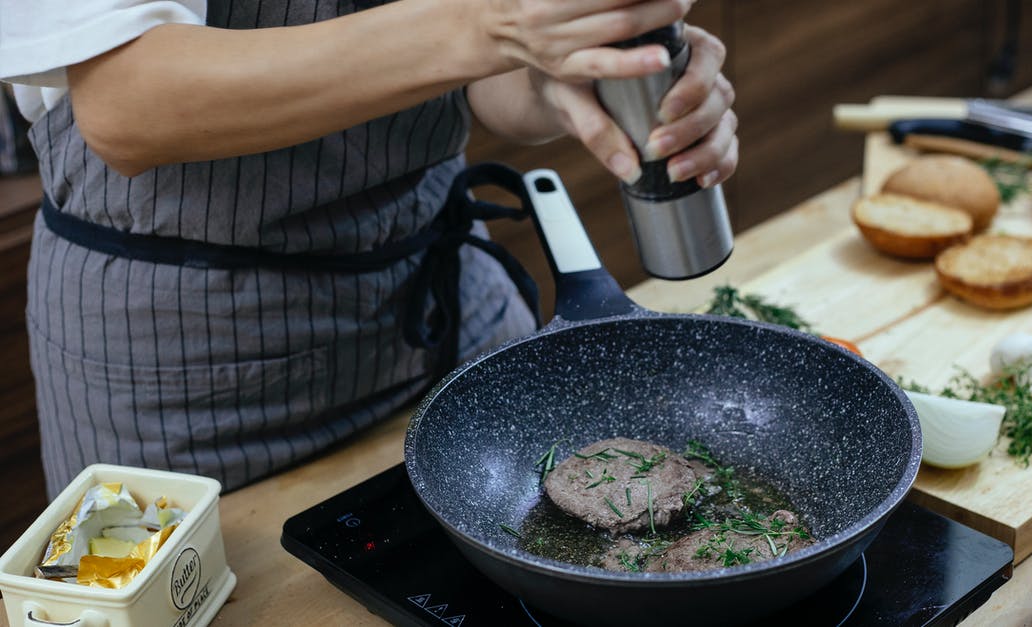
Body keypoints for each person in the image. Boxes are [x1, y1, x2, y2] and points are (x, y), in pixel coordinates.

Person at [0, 0, 738, 495]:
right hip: (189, 378)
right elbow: (129, 102)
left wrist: (563, 83)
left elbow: (482, 79)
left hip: (447, 302)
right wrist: (486, 26)